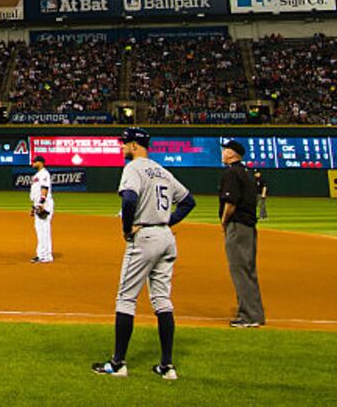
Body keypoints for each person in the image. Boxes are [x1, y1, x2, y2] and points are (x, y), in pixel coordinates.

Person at [94, 128, 195, 381]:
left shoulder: (133, 168)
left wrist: (127, 229)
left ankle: (117, 364)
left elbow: (129, 200)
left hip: (145, 237)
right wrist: (167, 222)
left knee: (125, 298)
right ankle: (167, 367)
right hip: (166, 238)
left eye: (125, 143)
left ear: (135, 145)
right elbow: (188, 201)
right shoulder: (162, 170)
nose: (122, 147)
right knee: (162, 300)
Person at [219, 140, 266, 328]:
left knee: (240, 270)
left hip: (238, 226)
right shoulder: (246, 172)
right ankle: (254, 313)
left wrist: (223, 222)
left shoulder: (232, 173)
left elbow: (231, 203)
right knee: (248, 270)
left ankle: (249, 316)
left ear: (231, 153)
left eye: (225, 150)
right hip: (248, 226)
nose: (222, 153)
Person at [29, 157, 54, 263]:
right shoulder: (37, 175)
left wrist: (41, 204)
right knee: (41, 229)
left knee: (43, 230)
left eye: (35, 161)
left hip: (44, 204)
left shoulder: (44, 174)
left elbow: (44, 189)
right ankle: (45, 254)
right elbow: (36, 192)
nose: (33, 163)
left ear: (41, 163)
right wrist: (34, 206)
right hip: (38, 203)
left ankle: (44, 256)